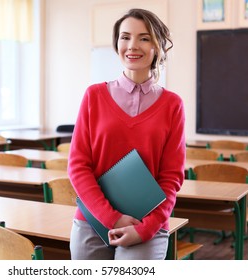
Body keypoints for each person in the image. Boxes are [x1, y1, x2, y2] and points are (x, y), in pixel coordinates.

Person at [68, 8, 185, 260]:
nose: (133, 45)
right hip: (92, 219)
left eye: (144, 38)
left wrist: (147, 228)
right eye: (125, 37)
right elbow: (78, 166)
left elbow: (172, 177)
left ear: (158, 46)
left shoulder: (173, 104)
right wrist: (113, 218)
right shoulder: (93, 96)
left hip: (147, 222)